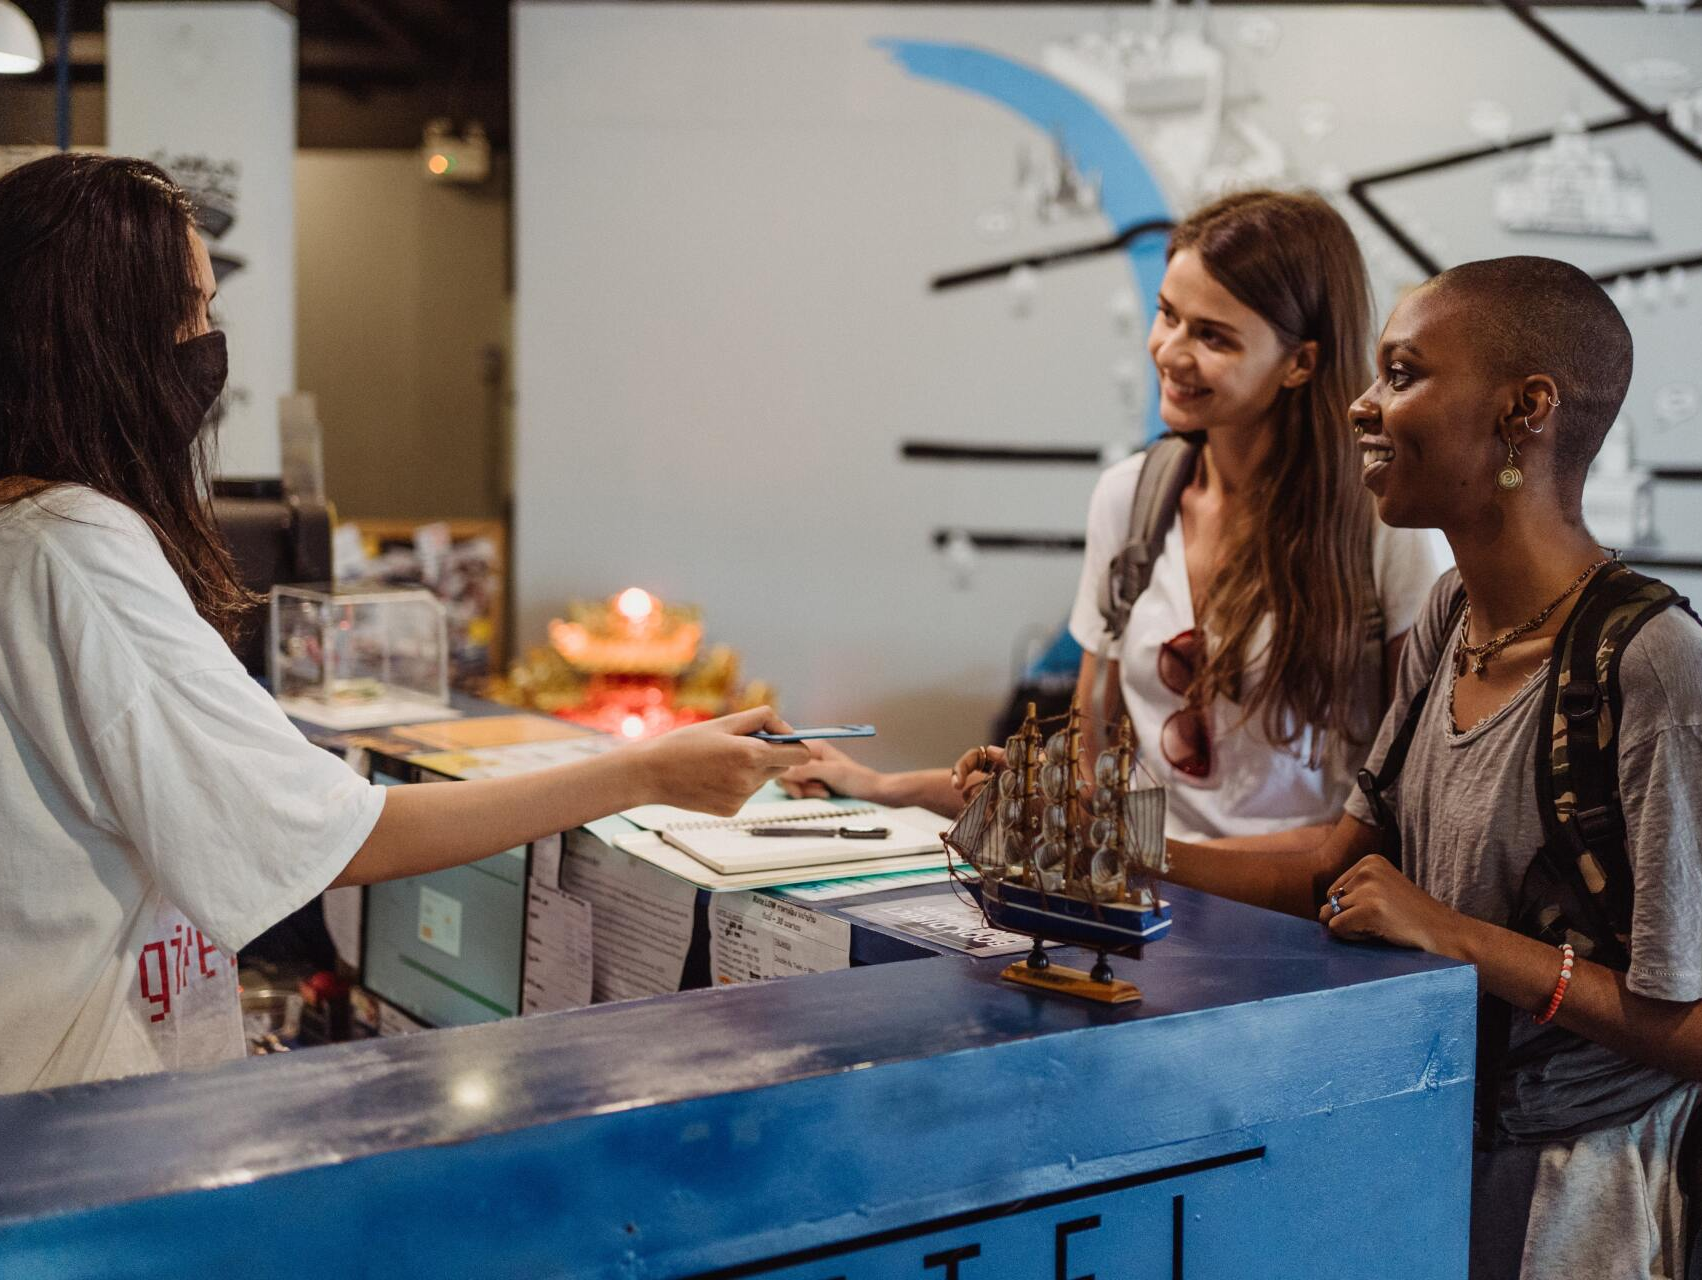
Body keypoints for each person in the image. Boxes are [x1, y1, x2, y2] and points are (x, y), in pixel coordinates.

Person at [0, 154, 809, 1094]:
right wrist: (644, 771)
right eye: (191, 310)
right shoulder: (74, 546)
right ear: (103, 334)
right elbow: (336, 837)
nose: (209, 343)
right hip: (77, 1132)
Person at [1149, 256, 1702, 1278]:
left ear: (1523, 410)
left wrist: (1450, 934)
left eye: (1401, 373)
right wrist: (1123, 846)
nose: (1362, 404)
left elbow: (1686, 1022)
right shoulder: (1451, 614)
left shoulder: (1653, 662)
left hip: (1581, 1198)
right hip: (1440, 1138)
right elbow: (1341, 866)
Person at [785, 190, 1446, 838]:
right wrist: (879, 787)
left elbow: (1405, 802)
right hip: (1147, 909)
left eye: (1214, 337)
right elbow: (1087, 775)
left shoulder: (1388, 517)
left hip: (1297, 925)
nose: (1170, 351)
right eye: (1168, 315)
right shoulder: (1131, 497)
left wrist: (1157, 861)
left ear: (1300, 362)